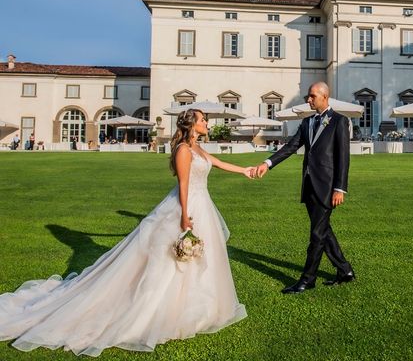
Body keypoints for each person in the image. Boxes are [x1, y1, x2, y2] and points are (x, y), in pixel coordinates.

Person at [0, 109, 253, 356]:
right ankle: (162, 311)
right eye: (203, 120)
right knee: (169, 261)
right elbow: (184, 184)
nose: (207, 123)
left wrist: (245, 170)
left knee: (195, 260)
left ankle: (195, 308)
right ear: (192, 124)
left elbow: (216, 163)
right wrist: (185, 217)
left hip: (203, 203)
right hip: (186, 206)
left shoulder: (197, 148)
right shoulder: (184, 150)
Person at [255, 82, 355, 294]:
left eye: (312, 96)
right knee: (323, 230)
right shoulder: (307, 122)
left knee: (317, 235)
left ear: (324, 97)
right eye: (308, 96)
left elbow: (343, 158)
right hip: (309, 184)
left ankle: (307, 279)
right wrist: (267, 163)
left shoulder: (340, 121)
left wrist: (340, 188)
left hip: (328, 187)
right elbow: (291, 146)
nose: (308, 100)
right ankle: (344, 270)